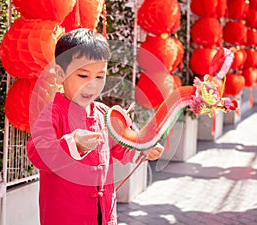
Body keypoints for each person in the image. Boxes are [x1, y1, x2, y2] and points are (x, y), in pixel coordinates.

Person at [27, 28, 164, 225]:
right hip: (65, 215)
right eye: (83, 76)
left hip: (104, 213)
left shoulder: (104, 113)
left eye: (99, 76)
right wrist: (73, 144)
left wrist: (144, 148)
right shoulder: (52, 113)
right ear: (60, 74)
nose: (92, 85)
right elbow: (37, 152)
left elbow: (120, 145)